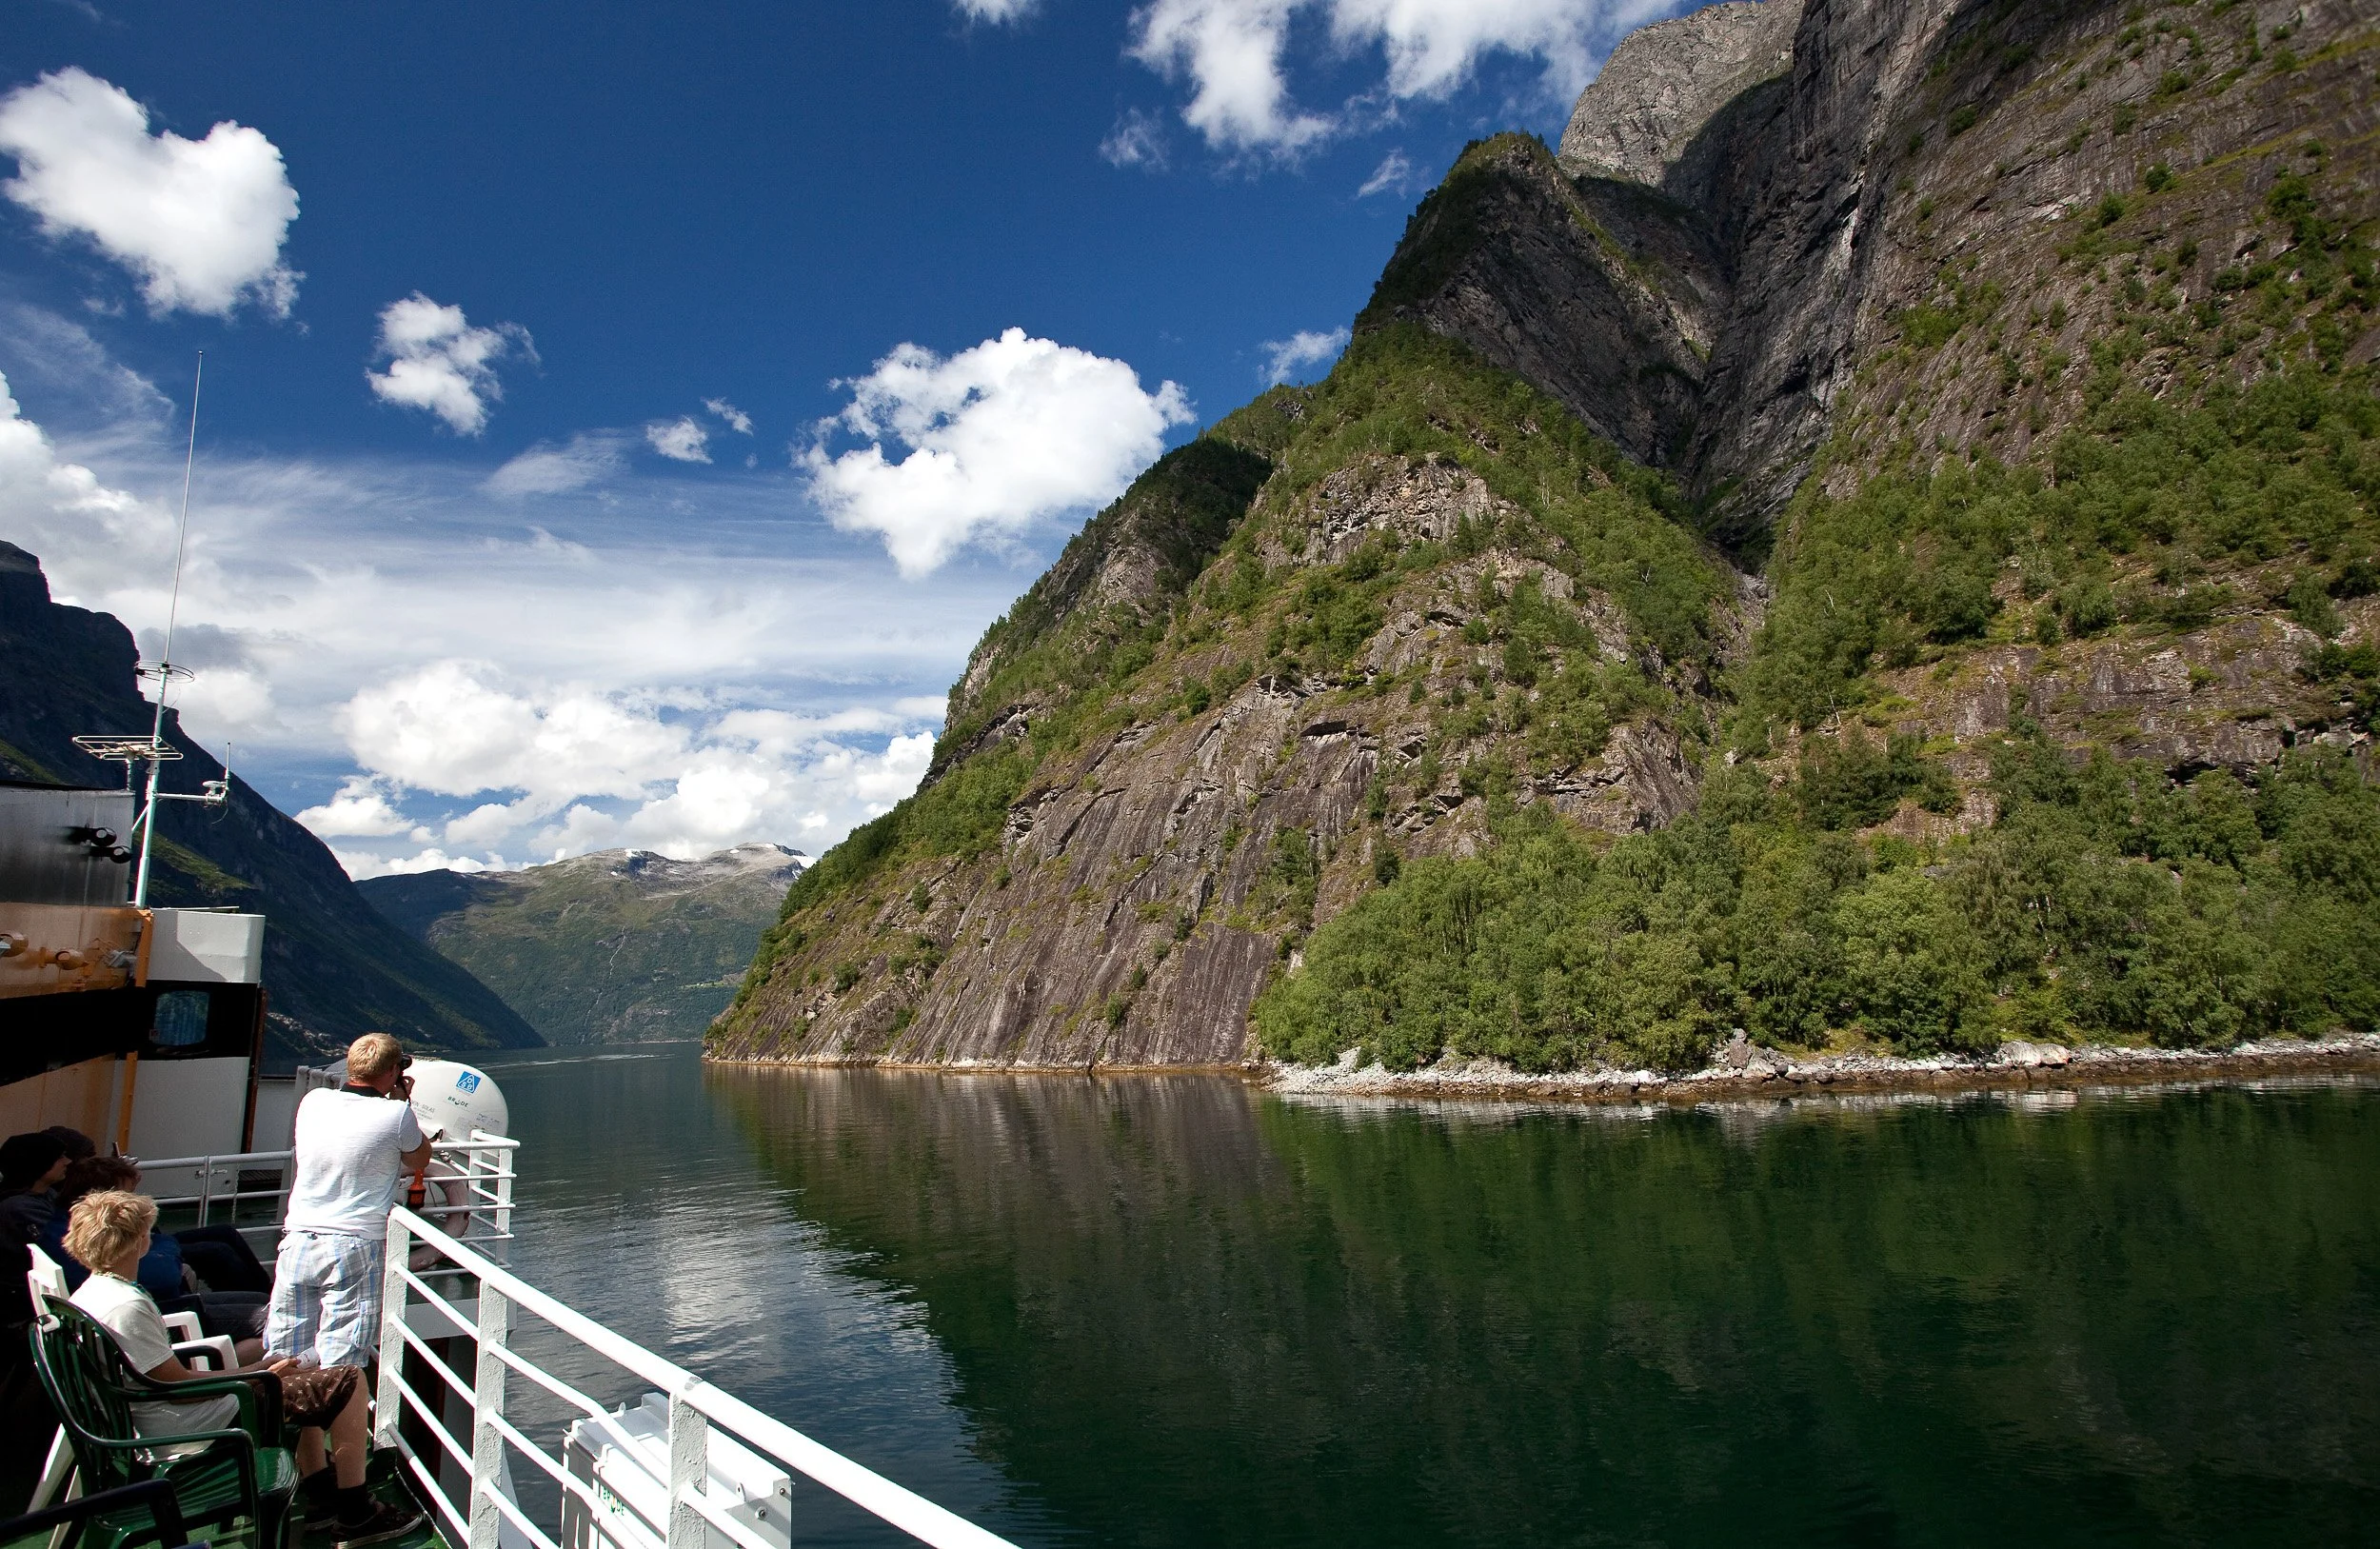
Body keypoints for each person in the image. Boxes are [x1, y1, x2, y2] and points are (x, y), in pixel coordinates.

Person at [63, 1190, 423, 1547]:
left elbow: (160, 1376)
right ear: (136, 1242)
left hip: (161, 1415)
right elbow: (176, 1384)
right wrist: (257, 1374)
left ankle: (322, 1496)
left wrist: (263, 1370)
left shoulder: (92, 1292)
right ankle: (356, 1514)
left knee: (306, 1379)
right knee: (347, 1380)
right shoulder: (127, 1307)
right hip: (188, 1425)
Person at [265, 1034, 432, 1369]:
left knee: (286, 1359)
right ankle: (340, 1420)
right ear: (391, 1072)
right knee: (341, 1365)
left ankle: (298, 1420)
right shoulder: (396, 1114)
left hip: (298, 1240)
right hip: (354, 1245)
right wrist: (402, 1101)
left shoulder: (313, 1101)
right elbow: (420, 1160)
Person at [41, 1157, 270, 1357]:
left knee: (263, 1301)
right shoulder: (127, 1303)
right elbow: (165, 1275)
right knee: (273, 1321)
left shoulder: (70, 1235)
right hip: (169, 1322)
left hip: (162, 1310)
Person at [0, 1132, 70, 1245]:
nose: (67, 1161)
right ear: (40, 1163)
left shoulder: (49, 1194)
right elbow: (64, 1241)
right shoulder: (19, 1207)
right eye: (60, 1157)